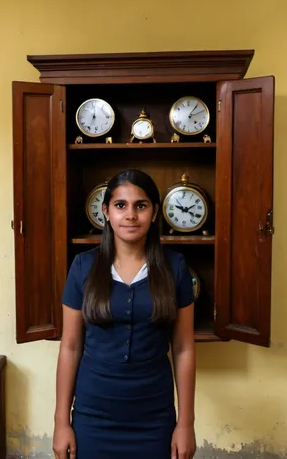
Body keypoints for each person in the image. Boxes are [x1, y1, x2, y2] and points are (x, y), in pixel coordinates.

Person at [52, 169, 197, 459]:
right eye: (121, 205)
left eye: (140, 205)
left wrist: (186, 423)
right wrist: (61, 423)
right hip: (93, 415)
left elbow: (183, 349)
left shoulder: (175, 267)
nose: (130, 215)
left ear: (155, 212)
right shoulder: (83, 267)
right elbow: (70, 347)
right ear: (106, 212)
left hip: (154, 417)